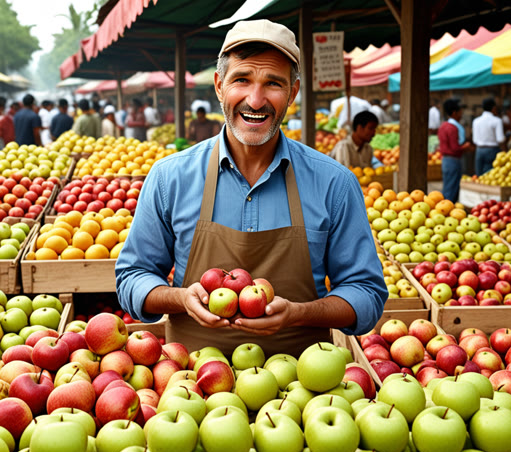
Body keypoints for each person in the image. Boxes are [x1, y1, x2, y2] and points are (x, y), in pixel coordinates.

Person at [115, 19, 387, 358]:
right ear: (219, 85)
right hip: (189, 387)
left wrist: (301, 313)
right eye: (241, 80)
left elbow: (367, 293)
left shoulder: (334, 183)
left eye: (273, 83)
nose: (255, 101)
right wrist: (181, 298)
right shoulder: (171, 178)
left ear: (293, 93)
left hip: (305, 394)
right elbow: (133, 276)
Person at [438, 99, 472, 202]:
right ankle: (447, 210)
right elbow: (455, 148)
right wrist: (466, 147)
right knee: (452, 189)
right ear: (454, 113)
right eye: (460, 112)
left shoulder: (443, 126)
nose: (461, 115)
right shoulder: (453, 128)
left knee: (447, 186)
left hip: (445, 161)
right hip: (453, 161)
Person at [472, 98, 506, 176]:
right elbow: (500, 139)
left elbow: (475, 140)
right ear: (494, 108)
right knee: (491, 176)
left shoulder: (476, 121)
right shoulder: (497, 120)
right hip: (492, 151)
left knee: (480, 177)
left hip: (479, 151)